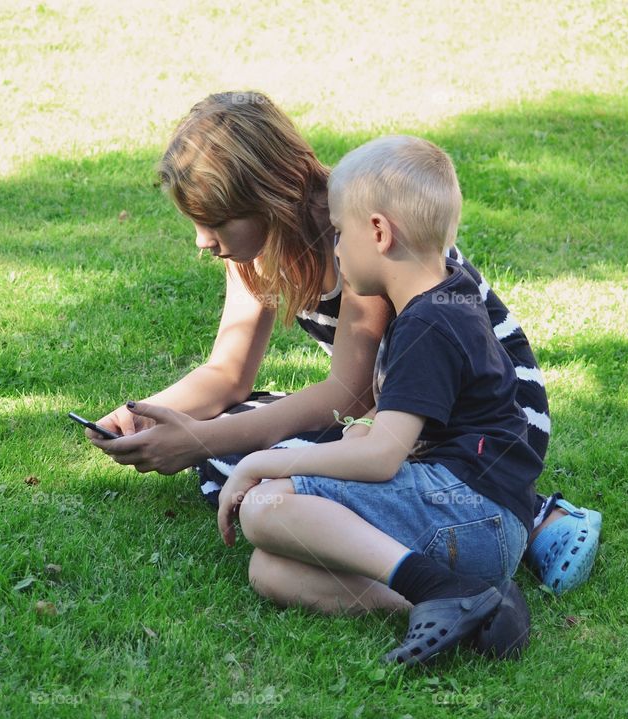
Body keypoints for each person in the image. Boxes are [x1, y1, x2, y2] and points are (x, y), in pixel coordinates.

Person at [89, 91, 601, 596]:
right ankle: (445, 589)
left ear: (268, 198)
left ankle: (534, 516)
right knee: (231, 454)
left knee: (247, 473)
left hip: (470, 424)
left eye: (217, 222)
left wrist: (205, 439)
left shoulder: (364, 239)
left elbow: (350, 396)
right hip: (391, 410)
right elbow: (229, 373)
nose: (202, 239)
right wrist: (148, 415)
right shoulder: (258, 249)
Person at [218, 134, 537, 664]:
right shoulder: (444, 297)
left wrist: (260, 461)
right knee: (269, 570)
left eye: (340, 233)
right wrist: (367, 421)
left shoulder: (429, 322)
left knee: (265, 506)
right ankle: (472, 604)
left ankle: (442, 588)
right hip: (477, 528)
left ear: (379, 232)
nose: (336, 248)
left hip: (472, 515)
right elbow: (412, 418)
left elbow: (380, 457)